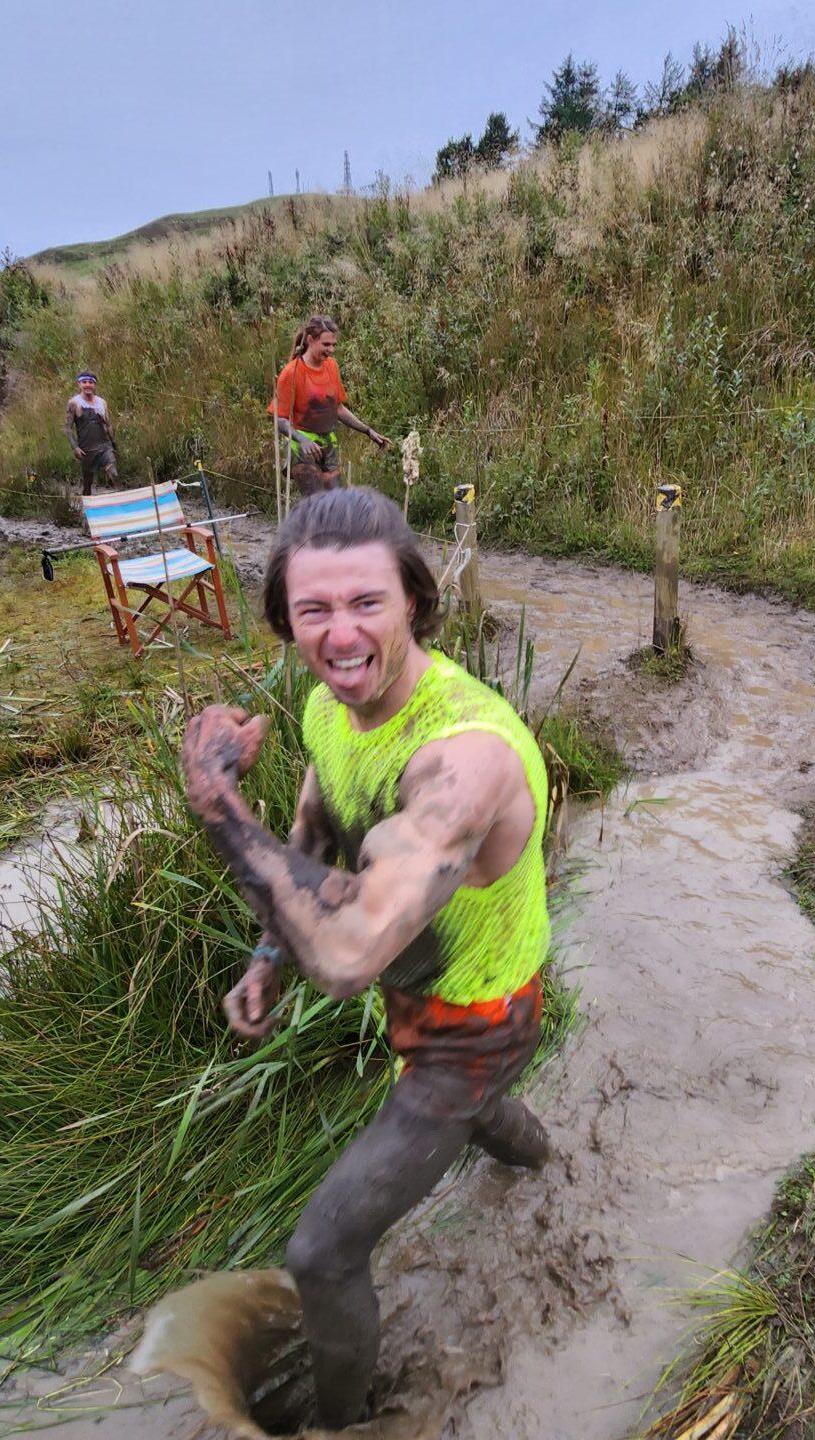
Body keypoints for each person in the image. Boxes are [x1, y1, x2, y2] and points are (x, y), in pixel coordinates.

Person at [181, 488, 551, 1431]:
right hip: (424, 998)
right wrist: (268, 953)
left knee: (324, 1252)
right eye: (313, 610)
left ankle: (343, 1426)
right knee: (474, 1118)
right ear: (286, 621)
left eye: (366, 604)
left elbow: (345, 959)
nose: (340, 636)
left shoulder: (462, 761)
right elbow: (317, 832)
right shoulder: (325, 708)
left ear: (416, 603)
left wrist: (217, 802)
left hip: (478, 1019)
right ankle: (548, 1164)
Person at [268, 316, 391, 497]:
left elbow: (338, 409)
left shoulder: (331, 366)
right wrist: (303, 440)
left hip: (329, 446)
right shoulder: (291, 372)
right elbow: (278, 419)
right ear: (311, 340)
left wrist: (367, 431)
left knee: (336, 505)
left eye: (333, 345)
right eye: (326, 344)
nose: (331, 350)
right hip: (302, 449)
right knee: (317, 504)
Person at [64, 371, 118, 494]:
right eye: (84, 382)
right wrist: (75, 447)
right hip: (86, 450)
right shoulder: (74, 403)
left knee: (114, 475)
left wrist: (114, 444)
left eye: (91, 382)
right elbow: (67, 428)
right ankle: (87, 508)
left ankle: (124, 504)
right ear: (79, 385)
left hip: (104, 447)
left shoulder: (102, 403)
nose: (88, 385)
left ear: (95, 385)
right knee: (87, 484)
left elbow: (108, 424)